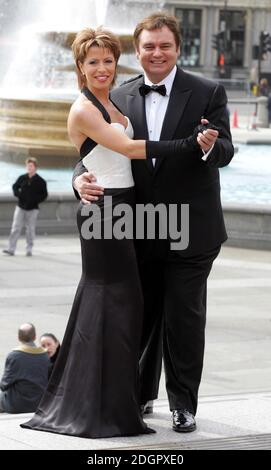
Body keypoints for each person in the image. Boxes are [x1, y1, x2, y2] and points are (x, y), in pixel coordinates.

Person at [20, 26, 216, 439]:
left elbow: (94, 153)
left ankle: (129, 400)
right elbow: (118, 150)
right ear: (80, 66)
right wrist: (188, 143)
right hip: (108, 214)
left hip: (147, 216)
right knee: (108, 303)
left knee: (125, 307)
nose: (103, 67)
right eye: (93, 62)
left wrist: (79, 175)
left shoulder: (120, 97)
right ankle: (97, 404)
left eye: (108, 60)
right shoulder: (93, 104)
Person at [72, 12, 234, 433]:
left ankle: (184, 405)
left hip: (191, 230)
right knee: (137, 317)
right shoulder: (118, 96)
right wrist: (79, 181)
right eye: (148, 46)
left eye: (164, 45)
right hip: (138, 227)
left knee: (183, 319)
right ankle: (139, 396)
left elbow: (226, 151)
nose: (156, 53)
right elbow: (93, 152)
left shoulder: (207, 91)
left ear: (178, 48)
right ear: (138, 51)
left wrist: (208, 147)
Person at [2, 157, 48, 257]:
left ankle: (29, 249)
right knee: (15, 228)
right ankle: (11, 249)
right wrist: (18, 194)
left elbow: (44, 194)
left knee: (30, 230)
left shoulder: (41, 181)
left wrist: (35, 200)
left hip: (33, 209)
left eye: (31, 166)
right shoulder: (22, 178)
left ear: (35, 167)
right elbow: (15, 186)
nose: (29, 167)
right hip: (20, 207)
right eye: (28, 166)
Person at [0, 323, 49, 413]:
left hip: (17, 405)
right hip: (40, 403)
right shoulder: (45, 355)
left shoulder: (14, 356)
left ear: (18, 338)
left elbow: (4, 384)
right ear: (34, 337)